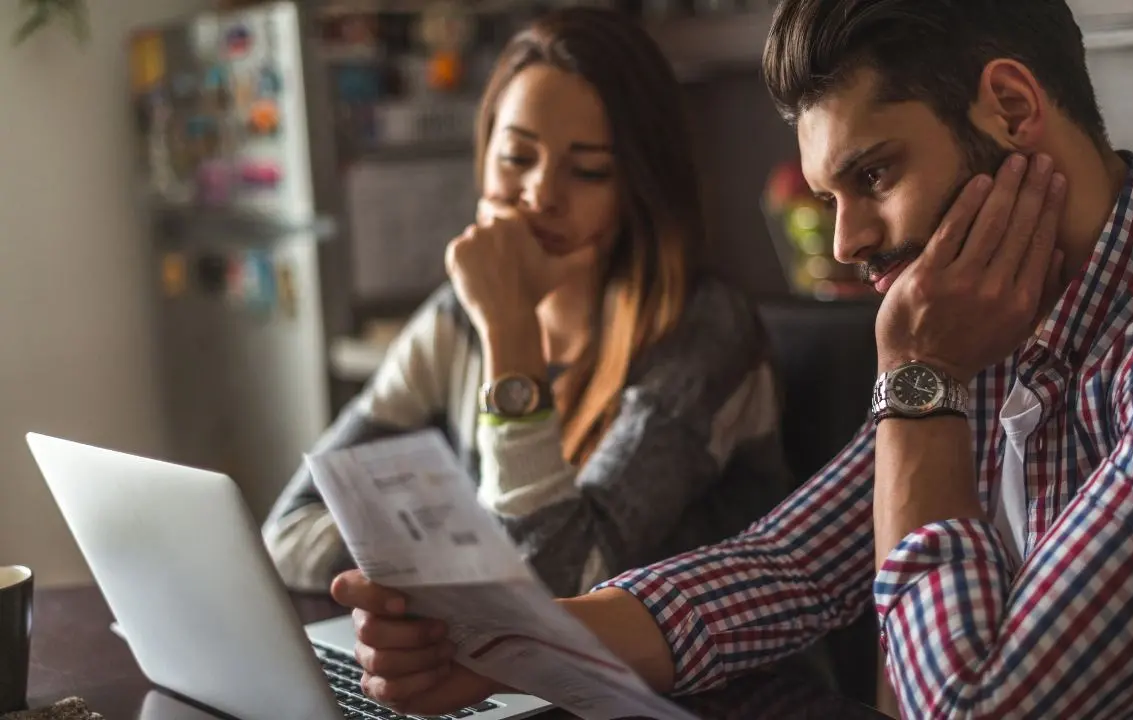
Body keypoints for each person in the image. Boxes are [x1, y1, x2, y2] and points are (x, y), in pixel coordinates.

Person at [330, 0, 1133, 717]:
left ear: (1012, 109)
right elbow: (784, 569)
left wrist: (918, 384)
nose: (850, 240)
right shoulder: (986, 314)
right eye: (830, 196)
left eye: (874, 176)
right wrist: (494, 645)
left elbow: (963, 709)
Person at [263, 7, 796, 601]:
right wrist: (466, 565)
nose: (541, 195)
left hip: (711, 692)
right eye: (517, 159)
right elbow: (289, 531)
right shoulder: (457, 316)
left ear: (640, 187)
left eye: (589, 171)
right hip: (519, 678)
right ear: (485, 158)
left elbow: (560, 582)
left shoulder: (704, 334)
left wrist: (509, 328)